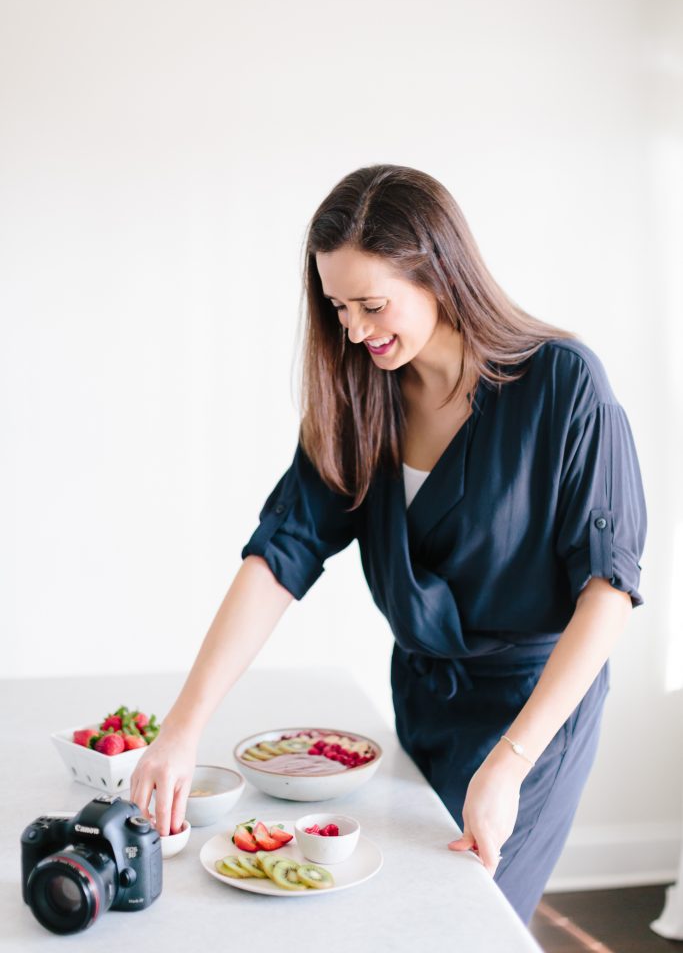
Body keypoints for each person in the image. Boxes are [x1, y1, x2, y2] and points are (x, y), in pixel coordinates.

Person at [130, 164, 647, 925]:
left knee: (467, 922)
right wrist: (182, 729)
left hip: (532, 718)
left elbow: (607, 592)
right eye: (338, 308)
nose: (354, 330)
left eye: (372, 305)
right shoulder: (360, 394)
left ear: (439, 272)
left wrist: (508, 764)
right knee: (398, 915)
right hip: (421, 700)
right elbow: (279, 555)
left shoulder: (562, 386)